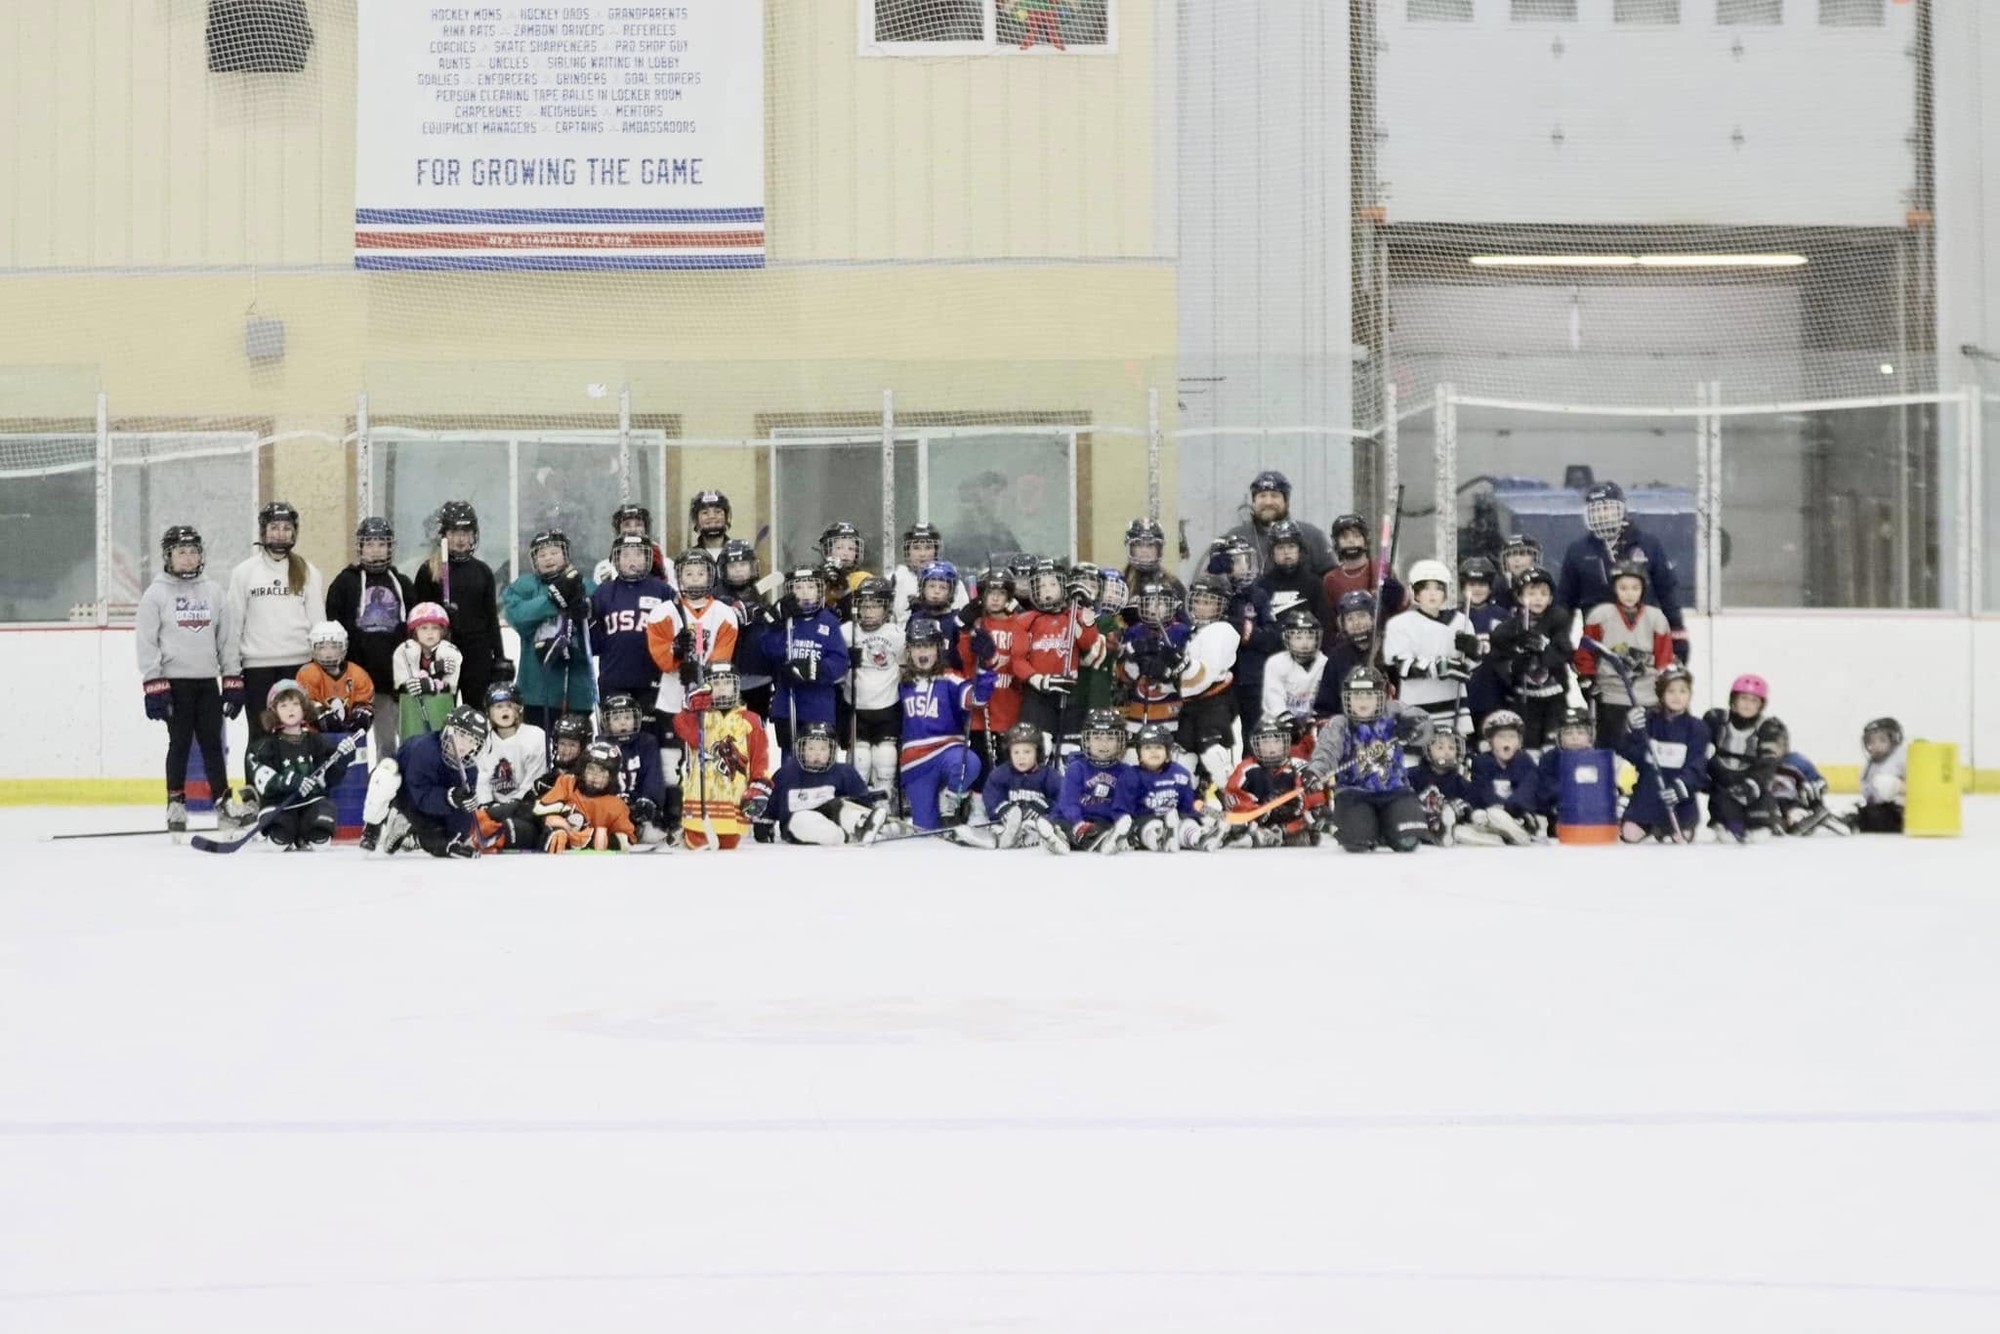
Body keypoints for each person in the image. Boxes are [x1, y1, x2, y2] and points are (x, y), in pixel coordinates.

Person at [137, 525, 238, 836]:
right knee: (179, 743)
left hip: (206, 682)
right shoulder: (156, 594)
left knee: (212, 743)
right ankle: (175, 802)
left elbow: (226, 640)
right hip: (175, 684)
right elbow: (147, 642)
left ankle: (222, 801)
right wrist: (154, 684)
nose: (188, 557)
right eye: (181, 552)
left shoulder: (214, 592)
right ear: (168, 556)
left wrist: (231, 679)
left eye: (193, 551)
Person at [223, 500, 325, 808]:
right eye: (274, 527)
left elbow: (318, 624)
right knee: (260, 736)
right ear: (263, 531)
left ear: (295, 532)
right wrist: (231, 674)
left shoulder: (308, 571)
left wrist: (320, 669)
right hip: (258, 669)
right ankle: (255, 798)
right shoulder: (244, 573)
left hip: (298, 666)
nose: (280, 533)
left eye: (286, 528)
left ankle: (300, 797)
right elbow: (233, 626)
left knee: (299, 734)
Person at [644, 547, 741, 829]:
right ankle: (674, 811)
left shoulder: (725, 614)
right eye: (689, 573)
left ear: (711, 576)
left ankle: (711, 808)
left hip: (709, 698)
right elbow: (660, 654)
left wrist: (702, 676)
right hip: (672, 697)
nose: (695, 578)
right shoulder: (663, 613)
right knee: (671, 757)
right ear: (679, 577)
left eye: (701, 573)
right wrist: (675, 654)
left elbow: (721, 659)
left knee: (709, 754)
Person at [1557, 481, 1688, 662]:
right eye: (1596, 509)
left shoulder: (1648, 544)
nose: (1602, 514)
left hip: (1645, 643)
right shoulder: (1578, 551)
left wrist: (1677, 635)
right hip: (1599, 645)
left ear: (1621, 509)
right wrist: (1561, 641)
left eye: (1607, 508)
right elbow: (1565, 601)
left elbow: (1667, 592)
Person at [1306, 665, 1430, 854]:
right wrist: (1315, 772)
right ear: (1347, 698)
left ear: (1381, 697)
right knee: (1357, 841)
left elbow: (1426, 725)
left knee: (1408, 841)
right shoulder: (1340, 724)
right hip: (1353, 795)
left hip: (1395, 791)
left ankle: (1388, 827)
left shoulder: (1394, 712)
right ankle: (1372, 828)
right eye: (1357, 696)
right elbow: (1326, 751)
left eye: (1369, 696)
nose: (1362, 701)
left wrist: (1413, 728)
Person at [326, 517, 417, 759]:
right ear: (360, 547)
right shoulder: (344, 583)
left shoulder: (403, 584)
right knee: (354, 746)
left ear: (390, 547)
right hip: (357, 680)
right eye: (369, 544)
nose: (375, 550)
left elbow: (415, 630)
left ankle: (393, 782)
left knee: (392, 744)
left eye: (381, 544)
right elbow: (333, 627)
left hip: (392, 682)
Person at [896, 617, 998, 832]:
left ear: (938, 649)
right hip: (915, 764)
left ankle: (951, 799)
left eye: (928, 646)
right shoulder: (900, 682)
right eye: (917, 646)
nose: (923, 652)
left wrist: (986, 665)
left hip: (947, 752)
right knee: (925, 832)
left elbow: (977, 698)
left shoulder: (951, 679)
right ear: (908, 650)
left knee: (969, 763)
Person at [500, 529, 597, 732]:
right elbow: (516, 615)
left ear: (565, 554)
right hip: (537, 688)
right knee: (538, 744)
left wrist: (587, 610)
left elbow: (598, 623)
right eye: (542, 555)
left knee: (575, 747)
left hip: (577, 688)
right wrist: (552, 600)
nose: (548, 558)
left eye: (554, 552)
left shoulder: (584, 585)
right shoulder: (525, 586)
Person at [362, 703, 489, 857]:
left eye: (473, 740)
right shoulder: (423, 750)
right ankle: (372, 828)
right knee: (386, 774)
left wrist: (458, 836)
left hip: (431, 806)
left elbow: (459, 816)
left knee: (443, 843)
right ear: (448, 730)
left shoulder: (470, 770)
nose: (465, 745)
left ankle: (409, 833)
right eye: (461, 735)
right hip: (405, 794)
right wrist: (449, 797)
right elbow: (420, 795)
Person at [413, 500, 506, 707]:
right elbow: (418, 618)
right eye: (454, 532)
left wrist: (499, 656)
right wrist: (441, 617)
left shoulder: (482, 571)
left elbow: (491, 617)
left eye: (466, 532)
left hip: (477, 653)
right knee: (442, 711)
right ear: (444, 535)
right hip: (442, 651)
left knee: (477, 712)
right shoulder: (429, 571)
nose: (461, 539)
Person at [244, 679, 353, 851]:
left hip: (311, 802)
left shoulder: (317, 741)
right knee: (280, 840)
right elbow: (262, 777)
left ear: (305, 708)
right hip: (280, 805)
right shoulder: (265, 746)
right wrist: (291, 781)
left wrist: (343, 757)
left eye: (296, 704)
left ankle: (305, 832)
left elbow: (330, 777)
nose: (291, 710)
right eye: (284, 705)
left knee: (321, 839)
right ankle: (289, 831)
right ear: (273, 711)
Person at [1575, 561, 1674, 750]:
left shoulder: (1656, 618)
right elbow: (1586, 652)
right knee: (1612, 747)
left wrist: (1663, 690)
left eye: (1635, 588)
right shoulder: (1600, 615)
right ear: (1614, 589)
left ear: (1643, 589)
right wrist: (1587, 678)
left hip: (1647, 696)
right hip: (1611, 694)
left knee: (1644, 748)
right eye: (1623, 588)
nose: (1629, 594)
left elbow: (1664, 658)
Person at [674, 661, 772, 850]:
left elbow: (760, 757)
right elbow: (686, 732)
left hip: (734, 799)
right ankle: (687, 832)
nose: (721, 688)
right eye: (716, 683)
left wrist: (758, 786)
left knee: (728, 845)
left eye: (727, 683)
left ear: (736, 686)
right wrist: (689, 709)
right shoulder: (701, 716)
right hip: (701, 798)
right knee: (698, 843)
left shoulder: (750, 720)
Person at [589, 532, 674, 740]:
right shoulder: (603, 592)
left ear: (648, 558)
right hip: (614, 678)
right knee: (614, 738)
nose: (632, 560)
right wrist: (585, 618)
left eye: (638, 554)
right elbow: (593, 643)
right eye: (625, 555)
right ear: (616, 559)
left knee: (649, 738)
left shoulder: (663, 591)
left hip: (651, 679)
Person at [1383, 559, 1478, 740]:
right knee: (1417, 751)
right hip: (1418, 705)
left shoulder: (1461, 621)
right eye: (1425, 588)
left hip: (1453, 705)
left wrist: (1473, 652)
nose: (1432, 593)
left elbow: (1468, 667)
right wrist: (1440, 667)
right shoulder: (1400, 624)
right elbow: (1402, 665)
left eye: (1438, 588)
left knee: (1452, 750)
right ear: (1415, 592)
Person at [1013, 559, 1100, 758]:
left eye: (1052, 584)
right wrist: (1040, 681)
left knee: (1070, 752)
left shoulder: (1074, 615)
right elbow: (1017, 660)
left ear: (1063, 586)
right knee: (1039, 748)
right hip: (1038, 696)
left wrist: (1086, 616)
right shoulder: (1025, 620)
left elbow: (1087, 643)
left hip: (1070, 692)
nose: (1047, 589)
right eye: (1041, 585)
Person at [760, 567, 851, 754]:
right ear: (789, 592)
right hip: (788, 705)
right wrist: (775, 626)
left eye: (810, 587)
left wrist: (813, 669)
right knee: (790, 759)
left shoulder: (829, 621)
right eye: (798, 587)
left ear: (820, 590)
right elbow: (770, 651)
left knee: (820, 758)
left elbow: (840, 661)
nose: (805, 592)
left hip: (819, 706)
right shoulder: (786, 621)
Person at [1485, 566, 1573, 751]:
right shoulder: (1507, 629)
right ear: (1519, 597)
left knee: (1554, 744)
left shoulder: (1558, 621)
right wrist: (1517, 663)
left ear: (1551, 598)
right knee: (1527, 744)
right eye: (1531, 593)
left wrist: (1542, 647)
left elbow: (1564, 654)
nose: (1538, 598)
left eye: (1543, 593)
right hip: (1524, 699)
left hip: (1554, 697)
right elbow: (1501, 662)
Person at [1617, 662, 1705, 843]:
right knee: (1629, 834)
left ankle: (1669, 828)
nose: (1677, 696)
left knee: (1681, 837)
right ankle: (1651, 826)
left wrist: (1680, 788)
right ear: (1661, 694)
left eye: (1683, 691)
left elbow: (1697, 765)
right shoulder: (1648, 722)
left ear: (1690, 694)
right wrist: (1632, 730)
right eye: (1671, 691)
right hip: (1647, 797)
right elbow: (1632, 754)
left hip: (1680, 802)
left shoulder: (1697, 728)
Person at [769, 719, 886, 846]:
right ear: (802, 749)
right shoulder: (786, 774)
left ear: (832, 750)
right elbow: (771, 805)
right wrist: (764, 823)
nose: (817, 754)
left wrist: (870, 801)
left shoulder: (844, 772)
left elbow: (862, 801)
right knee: (802, 820)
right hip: (798, 825)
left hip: (835, 818)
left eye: (823, 749)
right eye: (811, 748)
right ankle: (844, 836)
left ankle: (860, 826)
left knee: (843, 806)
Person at [843, 578, 907, 805]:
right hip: (856, 706)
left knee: (885, 756)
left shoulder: (896, 634)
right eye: (864, 605)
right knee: (859, 757)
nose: (869, 612)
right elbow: (835, 672)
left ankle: (884, 802)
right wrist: (845, 663)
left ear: (886, 609)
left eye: (875, 606)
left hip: (887, 706)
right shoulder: (846, 632)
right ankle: (858, 801)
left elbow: (903, 667)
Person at [1207, 535, 1279, 736]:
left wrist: (1247, 632)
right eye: (1236, 561)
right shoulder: (1211, 595)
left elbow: (1273, 637)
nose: (1243, 567)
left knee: (1254, 732)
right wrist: (1215, 578)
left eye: (1245, 561)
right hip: (1220, 680)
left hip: (1252, 679)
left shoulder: (1258, 595)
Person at [1176, 576, 1241, 793]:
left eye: (1209, 602)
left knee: (1215, 757)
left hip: (1216, 704)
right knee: (1184, 759)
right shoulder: (1191, 632)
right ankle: (1194, 803)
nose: (1201, 607)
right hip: (1190, 707)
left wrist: (1175, 671)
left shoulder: (1223, 630)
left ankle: (1232, 799)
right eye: (1198, 601)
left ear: (1222, 605)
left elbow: (1201, 679)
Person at [956, 569, 1025, 773]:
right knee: (980, 767)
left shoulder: (1019, 624)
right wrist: (965, 632)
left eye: (1001, 593)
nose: (995, 598)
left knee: (1007, 768)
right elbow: (965, 660)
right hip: (980, 713)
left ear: (1009, 596)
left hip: (1009, 707)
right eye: (989, 593)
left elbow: (1019, 663)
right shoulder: (977, 623)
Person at [1042, 708, 1136, 854]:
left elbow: (1122, 807)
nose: (1103, 744)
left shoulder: (1126, 772)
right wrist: (1078, 822)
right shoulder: (1076, 768)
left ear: (1120, 741)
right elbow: (1068, 802)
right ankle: (1058, 837)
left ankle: (1103, 839)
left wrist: (1120, 821)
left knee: (1106, 827)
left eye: (1110, 738)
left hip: (1103, 822)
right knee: (1058, 822)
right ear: (1087, 740)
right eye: (1097, 738)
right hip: (1074, 820)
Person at [470, 681, 549, 851]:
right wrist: (487, 806)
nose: (504, 711)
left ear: (519, 709)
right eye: (498, 706)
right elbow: (480, 778)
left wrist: (512, 806)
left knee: (520, 830)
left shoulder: (535, 736)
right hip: (491, 808)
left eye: (509, 706)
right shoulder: (481, 740)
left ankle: (495, 836)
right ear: (489, 712)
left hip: (524, 809)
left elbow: (534, 781)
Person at [961, 722, 1063, 850]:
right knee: (997, 827)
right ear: (1009, 753)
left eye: (1027, 752)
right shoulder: (1001, 774)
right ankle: (997, 837)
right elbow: (992, 796)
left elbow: (1063, 797)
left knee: (1038, 827)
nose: (1021, 757)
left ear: (1037, 752)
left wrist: (1045, 805)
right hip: (1007, 821)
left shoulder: (1048, 775)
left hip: (1037, 821)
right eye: (1016, 752)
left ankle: (1032, 837)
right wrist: (1002, 809)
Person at [1121, 722, 1219, 852]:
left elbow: (1188, 806)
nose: (1153, 751)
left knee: (1187, 823)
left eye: (1159, 747)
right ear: (1139, 754)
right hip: (1144, 821)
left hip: (1174, 819)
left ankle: (1199, 839)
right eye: (1148, 747)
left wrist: (1214, 814)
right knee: (1150, 826)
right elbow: (1124, 807)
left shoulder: (1180, 774)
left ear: (1167, 753)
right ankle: (1160, 839)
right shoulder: (1131, 776)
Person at [1220, 717, 1316, 848]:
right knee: (1236, 823)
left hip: (1284, 820)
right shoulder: (1247, 768)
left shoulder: (1296, 767)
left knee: (1311, 826)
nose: (1271, 747)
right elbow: (1231, 795)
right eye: (1265, 741)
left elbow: (1310, 796)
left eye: (1277, 741)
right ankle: (1252, 835)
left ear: (1285, 742)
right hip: (1254, 820)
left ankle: (1278, 834)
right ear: (1256, 745)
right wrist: (1258, 810)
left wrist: (1301, 803)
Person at [1220, 470, 1335, 578]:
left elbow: (1330, 580)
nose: (1268, 502)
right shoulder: (1234, 538)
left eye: (1274, 496)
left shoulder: (1312, 536)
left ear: (1286, 502)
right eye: (1262, 496)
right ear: (1254, 502)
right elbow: (1217, 580)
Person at [1704, 673, 1776, 842]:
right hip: (1724, 784)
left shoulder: (1767, 728)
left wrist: (1753, 784)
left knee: (1760, 824)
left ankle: (1771, 820)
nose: (1747, 704)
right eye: (1743, 698)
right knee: (1723, 802)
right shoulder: (1717, 720)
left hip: (1751, 782)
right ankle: (1725, 822)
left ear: (1761, 705)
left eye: (1754, 700)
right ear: (1733, 700)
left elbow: (1768, 763)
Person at [534, 739, 639, 854]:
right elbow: (541, 810)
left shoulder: (617, 806)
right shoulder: (568, 783)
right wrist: (558, 827)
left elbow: (626, 841)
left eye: (602, 771)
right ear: (583, 770)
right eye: (591, 769)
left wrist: (591, 839)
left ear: (611, 776)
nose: (595, 776)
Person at [1118, 580, 1189, 735]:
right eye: (1149, 603)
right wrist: (1132, 660)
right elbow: (1123, 676)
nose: (1154, 608)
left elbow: (1187, 674)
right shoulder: (1134, 632)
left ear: (1171, 606)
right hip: (1137, 711)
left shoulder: (1183, 632)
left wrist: (1169, 671)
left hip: (1171, 711)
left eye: (1160, 604)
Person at [1462, 710, 1543, 846]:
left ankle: (1518, 832)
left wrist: (1510, 808)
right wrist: (1497, 808)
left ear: (1519, 742)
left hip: (1518, 814)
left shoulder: (1524, 761)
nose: (1507, 741)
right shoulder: (1482, 762)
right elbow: (1483, 790)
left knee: (1518, 814)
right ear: (1490, 742)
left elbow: (1527, 790)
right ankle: (1493, 836)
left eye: (1512, 737)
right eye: (1501, 737)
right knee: (1480, 815)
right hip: (1490, 812)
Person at [601, 692, 670, 844]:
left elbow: (653, 776)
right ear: (607, 722)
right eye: (616, 718)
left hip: (638, 805)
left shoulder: (647, 743)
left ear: (636, 719)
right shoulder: (601, 745)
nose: (622, 723)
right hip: (610, 806)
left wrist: (648, 800)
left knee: (651, 833)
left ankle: (639, 829)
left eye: (627, 717)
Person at [391, 603, 462, 743]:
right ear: (414, 631)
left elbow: (449, 687)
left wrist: (435, 682)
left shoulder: (449, 651)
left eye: (435, 628)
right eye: (424, 628)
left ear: (442, 631)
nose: (430, 633)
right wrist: (430, 672)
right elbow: (403, 685)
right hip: (412, 713)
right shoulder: (405, 651)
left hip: (439, 710)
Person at [1757, 718, 1837, 837]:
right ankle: (1775, 823)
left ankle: (1810, 819)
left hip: (1793, 804)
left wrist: (1815, 789)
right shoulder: (1756, 764)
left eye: (1777, 745)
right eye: (1766, 746)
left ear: (1785, 743)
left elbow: (1818, 782)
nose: (1772, 751)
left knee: (1795, 813)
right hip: (1769, 806)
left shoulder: (1797, 762)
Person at [297, 622, 375, 742]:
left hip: (350, 739)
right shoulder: (307, 673)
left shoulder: (358, 674)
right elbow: (307, 705)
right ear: (312, 648)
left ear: (344, 647)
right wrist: (322, 715)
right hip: (314, 739)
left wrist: (362, 717)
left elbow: (365, 704)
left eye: (334, 647)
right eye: (322, 647)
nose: (328, 654)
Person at [1319, 514, 1404, 622]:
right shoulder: (1331, 579)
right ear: (1336, 543)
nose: (1351, 541)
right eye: (1345, 537)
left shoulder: (1382, 570)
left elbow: (1402, 610)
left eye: (1357, 536)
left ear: (1366, 541)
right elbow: (1330, 620)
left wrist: (1397, 599)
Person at [1311, 590, 1380, 723]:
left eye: (1361, 616)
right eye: (1350, 619)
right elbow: (1325, 708)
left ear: (1373, 618)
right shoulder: (1337, 657)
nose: (1356, 623)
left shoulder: (1387, 650)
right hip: (1349, 727)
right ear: (1342, 624)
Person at [1535, 707, 1598, 836]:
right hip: (1559, 816)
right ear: (1559, 737)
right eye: (1568, 733)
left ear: (1590, 736)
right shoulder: (1549, 759)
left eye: (1580, 733)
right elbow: (1545, 792)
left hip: (1592, 817)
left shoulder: (1598, 759)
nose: (1575, 738)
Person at [1256, 519, 1331, 628]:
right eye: (1280, 548)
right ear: (1272, 553)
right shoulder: (1262, 587)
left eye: (1291, 546)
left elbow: (1326, 625)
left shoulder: (1314, 584)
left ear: (1300, 550)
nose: (1286, 552)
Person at [1262, 607, 1328, 727]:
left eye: (1310, 637)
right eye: (1298, 637)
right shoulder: (1276, 663)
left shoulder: (1325, 663)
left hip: (1313, 723)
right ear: (1287, 638)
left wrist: (1317, 719)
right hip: (1281, 725)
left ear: (1317, 639)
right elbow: (1273, 699)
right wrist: (1286, 718)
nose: (1304, 643)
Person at [890, 522, 966, 620]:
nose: (922, 554)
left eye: (928, 547)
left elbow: (962, 619)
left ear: (936, 550)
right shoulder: (896, 579)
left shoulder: (951, 579)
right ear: (907, 551)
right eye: (916, 548)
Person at [1411, 730, 1473, 846]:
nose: (1447, 752)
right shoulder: (1413, 775)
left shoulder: (1459, 781)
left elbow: (1469, 805)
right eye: (1440, 747)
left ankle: (1446, 831)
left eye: (1452, 748)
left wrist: (1463, 810)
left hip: (1451, 824)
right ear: (1428, 750)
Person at [591, 503, 673, 585]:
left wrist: (660, 574)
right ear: (618, 530)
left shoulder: (666, 565)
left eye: (638, 524)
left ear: (646, 529)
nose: (633, 529)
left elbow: (672, 591)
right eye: (627, 525)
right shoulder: (604, 568)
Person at [1848, 717, 1906, 833]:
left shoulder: (1902, 759)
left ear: (1894, 740)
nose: (1876, 745)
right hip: (1879, 809)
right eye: (1871, 742)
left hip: (1899, 810)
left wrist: (1897, 787)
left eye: (1882, 740)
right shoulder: (1870, 765)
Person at [1121, 518, 1184, 603]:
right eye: (1139, 545)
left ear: (1158, 550)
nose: (1144, 551)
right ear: (1131, 549)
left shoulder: (1173, 585)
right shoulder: (1121, 584)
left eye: (1150, 545)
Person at [1490, 533, 1544, 611]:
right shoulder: (1499, 587)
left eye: (1522, 554)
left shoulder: (1545, 584)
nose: (1516, 559)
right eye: (1511, 555)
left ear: (1533, 558)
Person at [688, 489, 733, 555]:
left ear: (726, 517)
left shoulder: (738, 553)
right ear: (696, 520)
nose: (712, 516)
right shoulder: (690, 555)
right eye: (705, 512)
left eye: (718, 511)